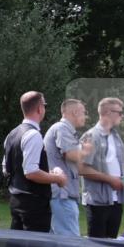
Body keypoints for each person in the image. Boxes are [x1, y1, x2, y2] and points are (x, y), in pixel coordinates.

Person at [3, 91, 67, 232]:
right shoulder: (33, 135)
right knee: (34, 245)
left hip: (16, 199)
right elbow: (31, 172)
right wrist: (58, 178)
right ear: (39, 108)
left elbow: (6, 168)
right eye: (45, 105)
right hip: (34, 204)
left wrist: (47, 173)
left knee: (16, 243)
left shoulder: (11, 134)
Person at [80, 97, 124, 239]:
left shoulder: (116, 137)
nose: (122, 116)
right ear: (108, 112)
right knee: (96, 246)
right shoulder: (91, 136)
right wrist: (111, 180)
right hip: (97, 202)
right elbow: (82, 169)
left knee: (111, 245)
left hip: (116, 201)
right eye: (120, 112)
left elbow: (115, 166)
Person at [43, 99, 93, 236]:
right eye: (84, 112)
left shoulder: (65, 130)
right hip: (62, 196)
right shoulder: (62, 128)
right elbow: (70, 154)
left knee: (55, 243)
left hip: (61, 195)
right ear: (75, 112)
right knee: (70, 243)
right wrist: (86, 151)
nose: (86, 116)